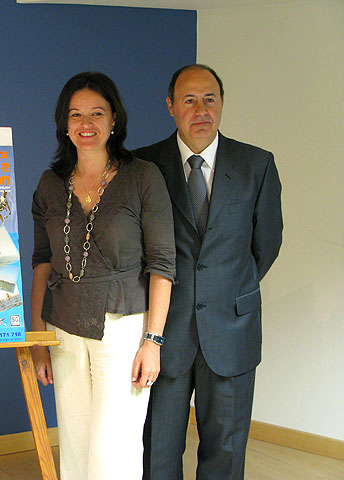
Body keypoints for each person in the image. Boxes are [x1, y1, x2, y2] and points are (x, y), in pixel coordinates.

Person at [133, 64, 283, 479]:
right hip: (163, 332)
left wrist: (227, 288)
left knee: (226, 450)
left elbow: (265, 244)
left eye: (209, 99)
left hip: (232, 328)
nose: (201, 109)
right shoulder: (144, 165)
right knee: (157, 451)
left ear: (221, 103)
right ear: (170, 106)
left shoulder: (256, 165)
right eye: (189, 100)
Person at [30, 72, 176, 479]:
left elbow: (163, 263)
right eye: (75, 114)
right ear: (64, 123)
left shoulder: (142, 177)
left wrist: (153, 341)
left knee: (113, 448)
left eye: (97, 112)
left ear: (115, 119)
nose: (86, 123)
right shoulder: (50, 183)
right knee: (75, 446)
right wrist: (37, 338)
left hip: (123, 329)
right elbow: (41, 261)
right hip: (62, 328)